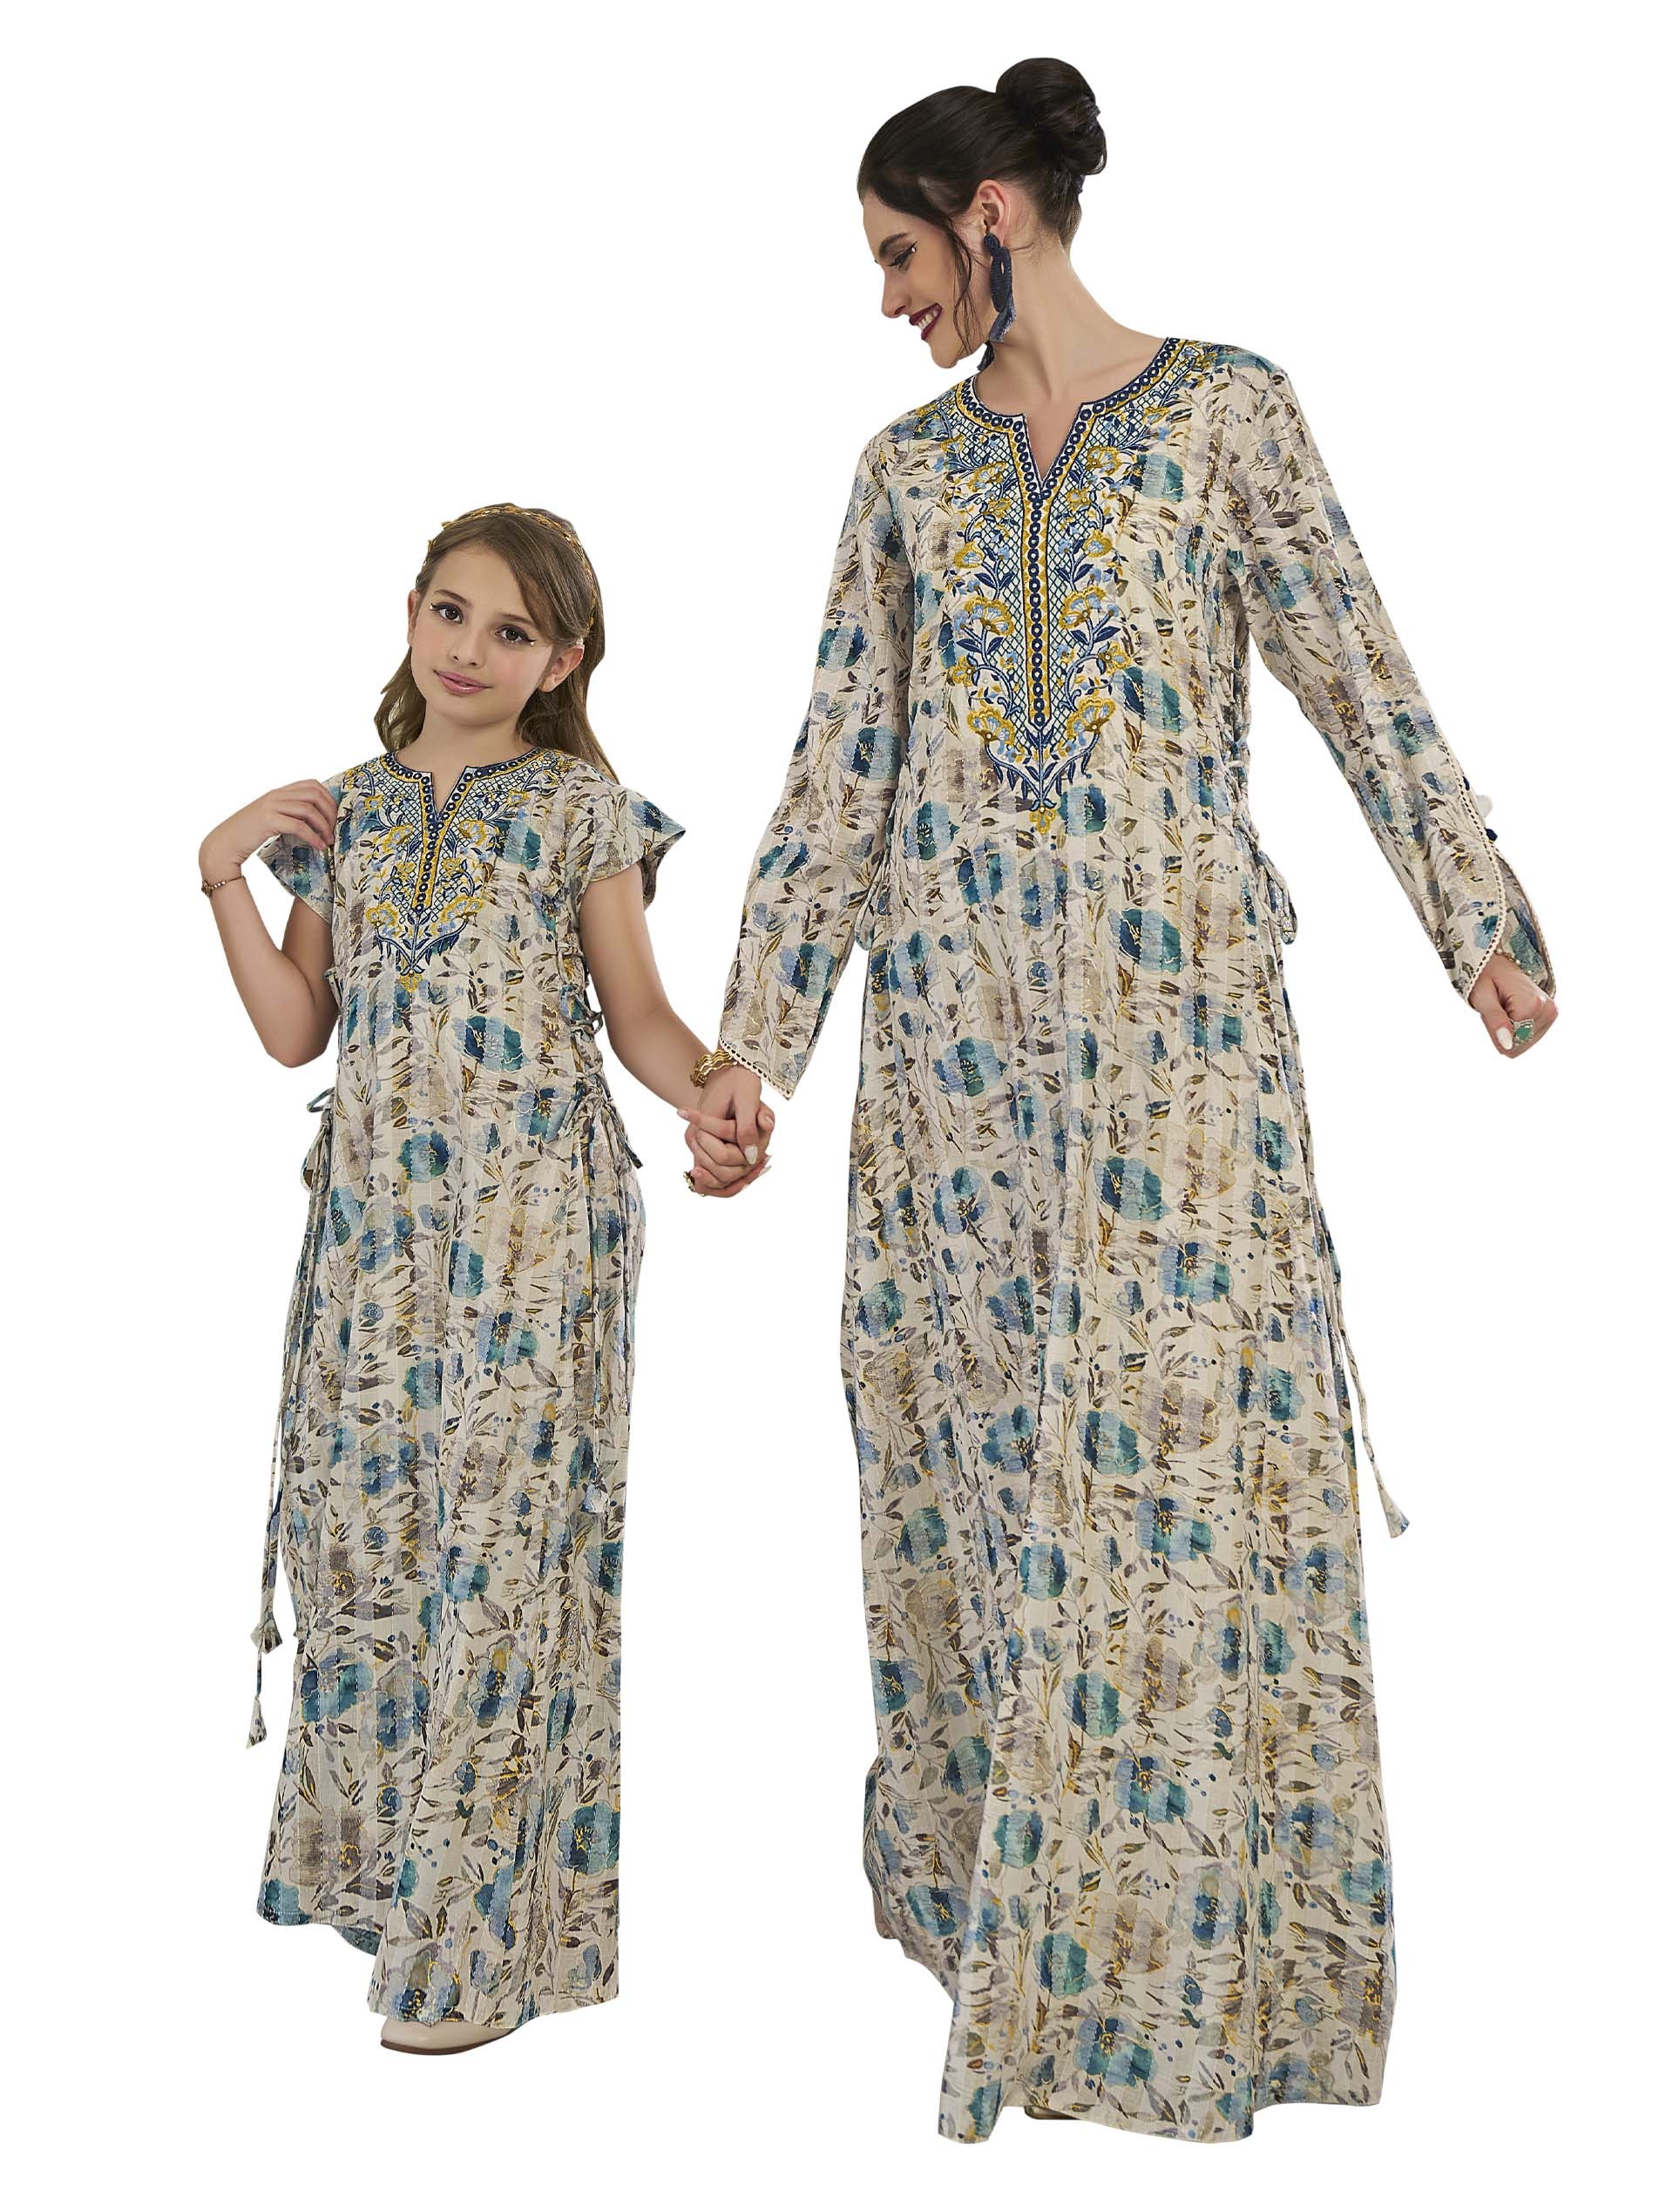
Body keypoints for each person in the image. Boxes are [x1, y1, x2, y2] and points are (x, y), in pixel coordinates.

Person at [687, 60, 1558, 2141]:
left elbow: (1355, 669)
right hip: (955, 1076)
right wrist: (751, 1052)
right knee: (983, 1480)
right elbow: (833, 779)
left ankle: (1204, 1997)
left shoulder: (1227, 415)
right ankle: (1034, 1986)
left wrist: (1477, 919)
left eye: (900, 252)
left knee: (1181, 1492)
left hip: (1174, 1058)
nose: (887, 299)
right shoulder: (903, 478)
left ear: (991, 214)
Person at [200, 502, 768, 2053]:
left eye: (510, 631)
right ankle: (400, 1898)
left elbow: (639, 1017)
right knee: (374, 1558)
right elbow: (296, 1030)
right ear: (410, 612)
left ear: (560, 662)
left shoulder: (582, 810)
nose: (468, 649)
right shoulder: (348, 813)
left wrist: (716, 1087)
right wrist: (224, 874)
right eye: (450, 613)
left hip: (537, 1232)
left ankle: (476, 1952)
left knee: (508, 1564)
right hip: (374, 1240)